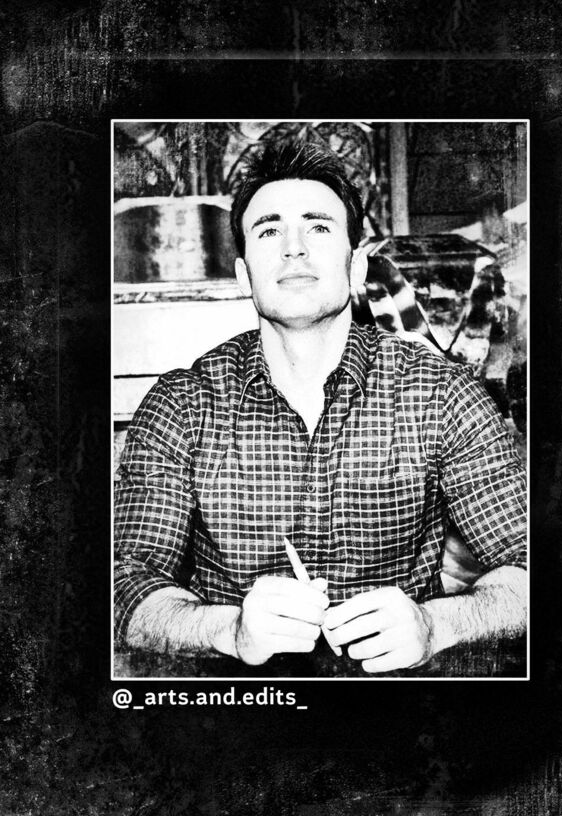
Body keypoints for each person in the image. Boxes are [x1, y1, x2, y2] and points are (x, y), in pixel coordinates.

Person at [114, 139, 527, 674]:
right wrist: (228, 631)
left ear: (356, 268)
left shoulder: (440, 393)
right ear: (243, 276)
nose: (294, 248)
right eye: (269, 231)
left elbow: (530, 564)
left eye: (319, 227)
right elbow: (126, 583)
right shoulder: (182, 404)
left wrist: (436, 625)